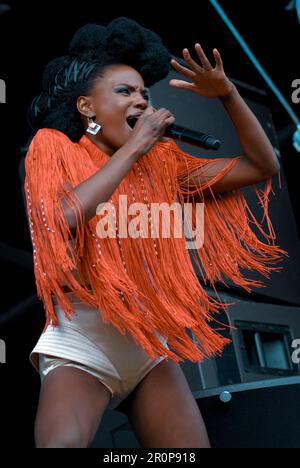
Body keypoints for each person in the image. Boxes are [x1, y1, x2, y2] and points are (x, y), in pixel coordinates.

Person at [24, 17, 286, 448]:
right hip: (85, 339)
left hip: (147, 343)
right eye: (125, 92)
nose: (142, 101)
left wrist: (228, 95)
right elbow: (61, 217)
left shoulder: (162, 164)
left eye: (145, 93)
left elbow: (262, 166)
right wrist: (133, 147)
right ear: (86, 107)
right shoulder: (54, 148)